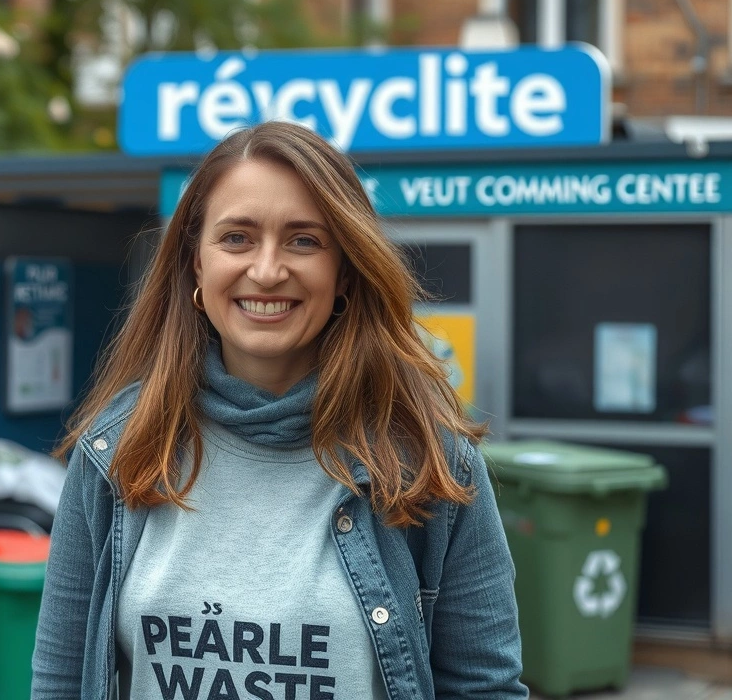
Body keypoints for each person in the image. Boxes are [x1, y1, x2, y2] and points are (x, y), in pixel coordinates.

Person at [32, 121, 527, 700]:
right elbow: (60, 681)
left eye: (303, 241)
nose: (267, 271)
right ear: (196, 263)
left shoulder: (429, 462)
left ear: (345, 271)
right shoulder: (117, 451)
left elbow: (485, 688)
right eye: (236, 238)